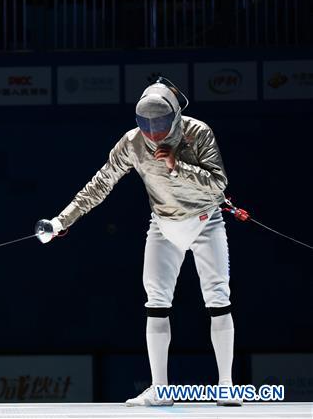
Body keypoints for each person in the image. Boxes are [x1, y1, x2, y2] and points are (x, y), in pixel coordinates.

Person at [37, 78, 240, 407]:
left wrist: (177, 167)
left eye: (160, 124)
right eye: (146, 124)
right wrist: (62, 220)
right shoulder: (132, 143)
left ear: (174, 117)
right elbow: (101, 183)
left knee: (218, 298)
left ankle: (227, 386)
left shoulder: (197, 133)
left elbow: (218, 186)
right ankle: (160, 389)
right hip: (163, 225)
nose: (153, 133)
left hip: (206, 222)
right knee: (156, 302)